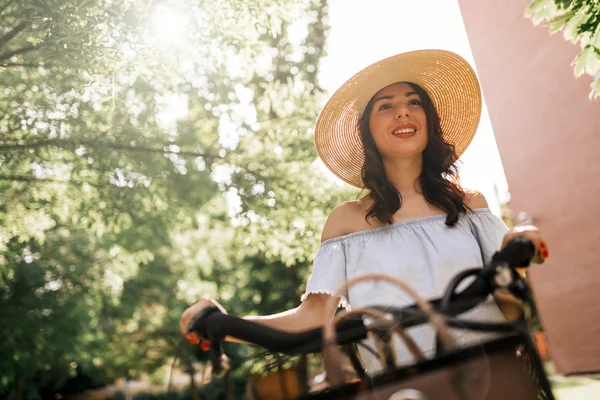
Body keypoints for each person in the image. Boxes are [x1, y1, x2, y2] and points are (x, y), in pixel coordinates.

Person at [179, 49, 547, 374]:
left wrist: (515, 255)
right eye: (385, 105)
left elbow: (511, 309)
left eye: (413, 101)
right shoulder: (346, 221)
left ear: (428, 120)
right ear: (366, 130)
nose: (402, 110)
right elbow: (312, 319)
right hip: (402, 388)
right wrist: (226, 323)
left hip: (493, 377)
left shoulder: (470, 206)